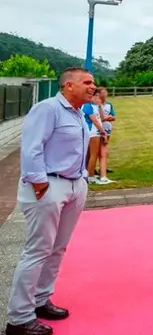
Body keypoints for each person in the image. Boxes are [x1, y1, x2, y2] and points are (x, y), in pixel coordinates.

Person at [5, 67, 93, 335]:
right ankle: (19, 318)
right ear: (68, 85)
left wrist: (83, 179)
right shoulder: (48, 109)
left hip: (73, 185)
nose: (92, 86)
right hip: (48, 186)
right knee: (38, 250)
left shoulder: (78, 114)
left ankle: (41, 300)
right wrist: (40, 183)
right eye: (87, 82)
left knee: (58, 248)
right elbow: (32, 148)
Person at [82, 93, 108, 185]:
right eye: (95, 96)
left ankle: (89, 174)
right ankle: (90, 176)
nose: (97, 98)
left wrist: (100, 106)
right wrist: (103, 132)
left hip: (94, 132)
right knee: (94, 155)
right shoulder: (87, 106)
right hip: (92, 132)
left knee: (90, 155)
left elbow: (102, 118)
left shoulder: (94, 106)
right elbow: (95, 121)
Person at [96, 87, 115, 184]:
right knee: (99, 150)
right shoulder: (96, 105)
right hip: (99, 129)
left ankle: (103, 168)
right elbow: (99, 118)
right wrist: (106, 118)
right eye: (102, 93)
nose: (104, 95)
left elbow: (113, 117)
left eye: (105, 93)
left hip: (108, 128)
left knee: (104, 149)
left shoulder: (109, 104)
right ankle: (96, 170)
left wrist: (108, 118)